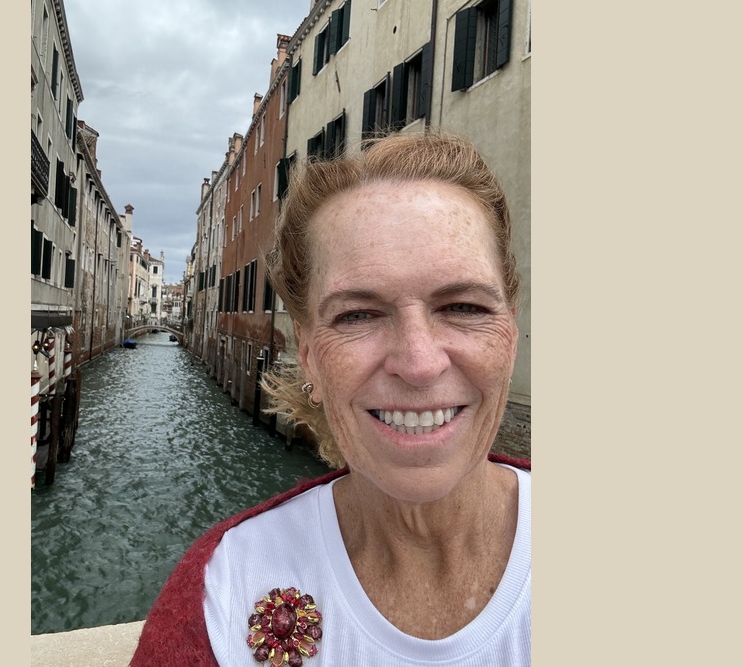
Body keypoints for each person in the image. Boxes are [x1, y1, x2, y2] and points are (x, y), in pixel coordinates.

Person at [130, 131, 530, 666]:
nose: (418, 363)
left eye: (464, 307)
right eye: (358, 315)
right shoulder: (224, 587)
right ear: (310, 354)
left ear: (511, 328)